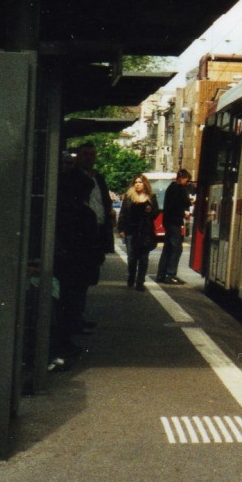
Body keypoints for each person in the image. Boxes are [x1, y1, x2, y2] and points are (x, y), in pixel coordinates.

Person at [54, 142, 114, 353]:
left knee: (85, 282)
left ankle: (77, 320)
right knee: (74, 287)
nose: (89, 157)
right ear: (78, 157)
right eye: (85, 154)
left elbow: (105, 207)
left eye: (92, 154)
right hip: (79, 241)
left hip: (94, 236)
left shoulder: (99, 179)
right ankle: (72, 327)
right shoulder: (71, 179)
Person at [118, 174, 158, 290]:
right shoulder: (129, 197)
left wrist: (151, 211)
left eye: (140, 182)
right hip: (131, 231)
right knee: (132, 258)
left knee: (144, 258)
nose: (138, 184)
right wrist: (121, 229)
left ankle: (140, 282)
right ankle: (131, 275)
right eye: (136, 182)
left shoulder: (151, 197)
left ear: (145, 184)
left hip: (145, 231)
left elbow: (155, 214)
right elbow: (123, 213)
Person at [156, 168, 192, 285]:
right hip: (174, 222)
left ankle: (161, 274)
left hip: (169, 221)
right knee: (176, 248)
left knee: (168, 248)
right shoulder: (179, 189)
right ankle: (170, 274)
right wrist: (188, 204)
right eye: (187, 181)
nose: (187, 183)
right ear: (182, 179)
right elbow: (183, 203)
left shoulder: (171, 188)